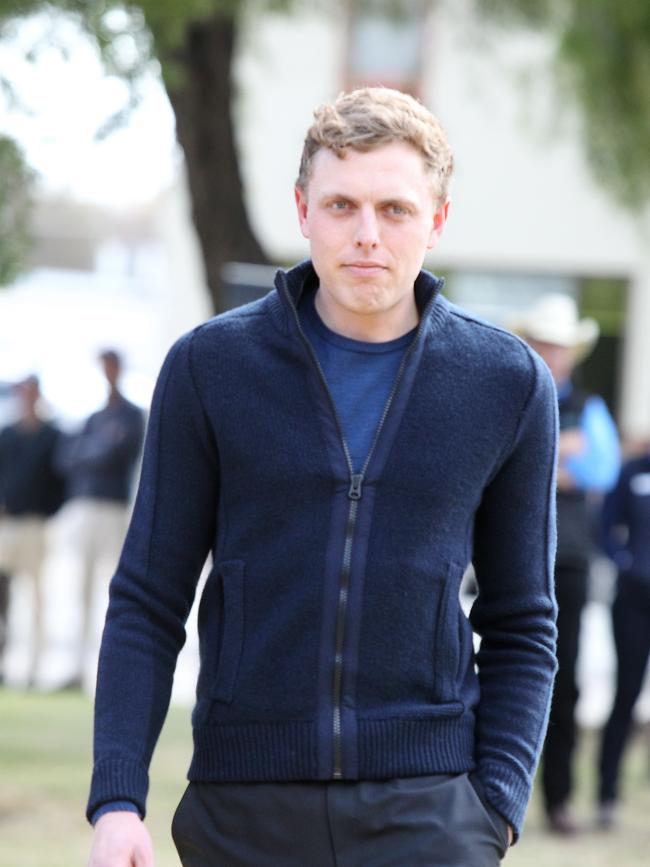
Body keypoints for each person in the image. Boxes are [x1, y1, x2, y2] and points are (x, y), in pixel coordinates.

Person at [87, 87, 559, 867]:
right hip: (242, 807)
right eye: (342, 205)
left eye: (395, 210)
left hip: (432, 810)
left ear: (436, 221)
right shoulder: (209, 368)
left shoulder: (505, 382)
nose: (366, 235)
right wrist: (116, 800)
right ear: (303, 210)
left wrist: (496, 806)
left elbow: (524, 621)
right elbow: (146, 598)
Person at [512, 293, 620, 835]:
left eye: (559, 345)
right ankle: (501, 796)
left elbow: (600, 471)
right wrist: (561, 453)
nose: (552, 353)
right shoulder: (511, 396)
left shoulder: (589, 408)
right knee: (503, 673)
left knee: (565, 681)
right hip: (511, 553)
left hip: (570, 558)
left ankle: (557, 799)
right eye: (544, 342)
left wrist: (540, 461)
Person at [54, 350, 144, 690]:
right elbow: (67, 458)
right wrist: (98, 448)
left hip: (111, 509)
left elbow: (119, 454)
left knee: (112, 588)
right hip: (85, 507)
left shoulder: (132, 415)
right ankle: (75, 666)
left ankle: (105, 672)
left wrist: (92, 451)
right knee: (79, 586)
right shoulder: (94, 417)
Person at [596, 443, 650, 829]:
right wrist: (625, 561)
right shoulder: (633, 471)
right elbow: (605, 526)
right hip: (633, 601)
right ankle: (606, 796)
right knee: (626, 694)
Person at [0, 375, 64, 686]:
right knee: (3, 597)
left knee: (38, 598)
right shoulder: (7, 434)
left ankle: (36, 668)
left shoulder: (51, 435)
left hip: (36, 525)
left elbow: (59, 480)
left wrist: (47, 512)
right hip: (7, 524)